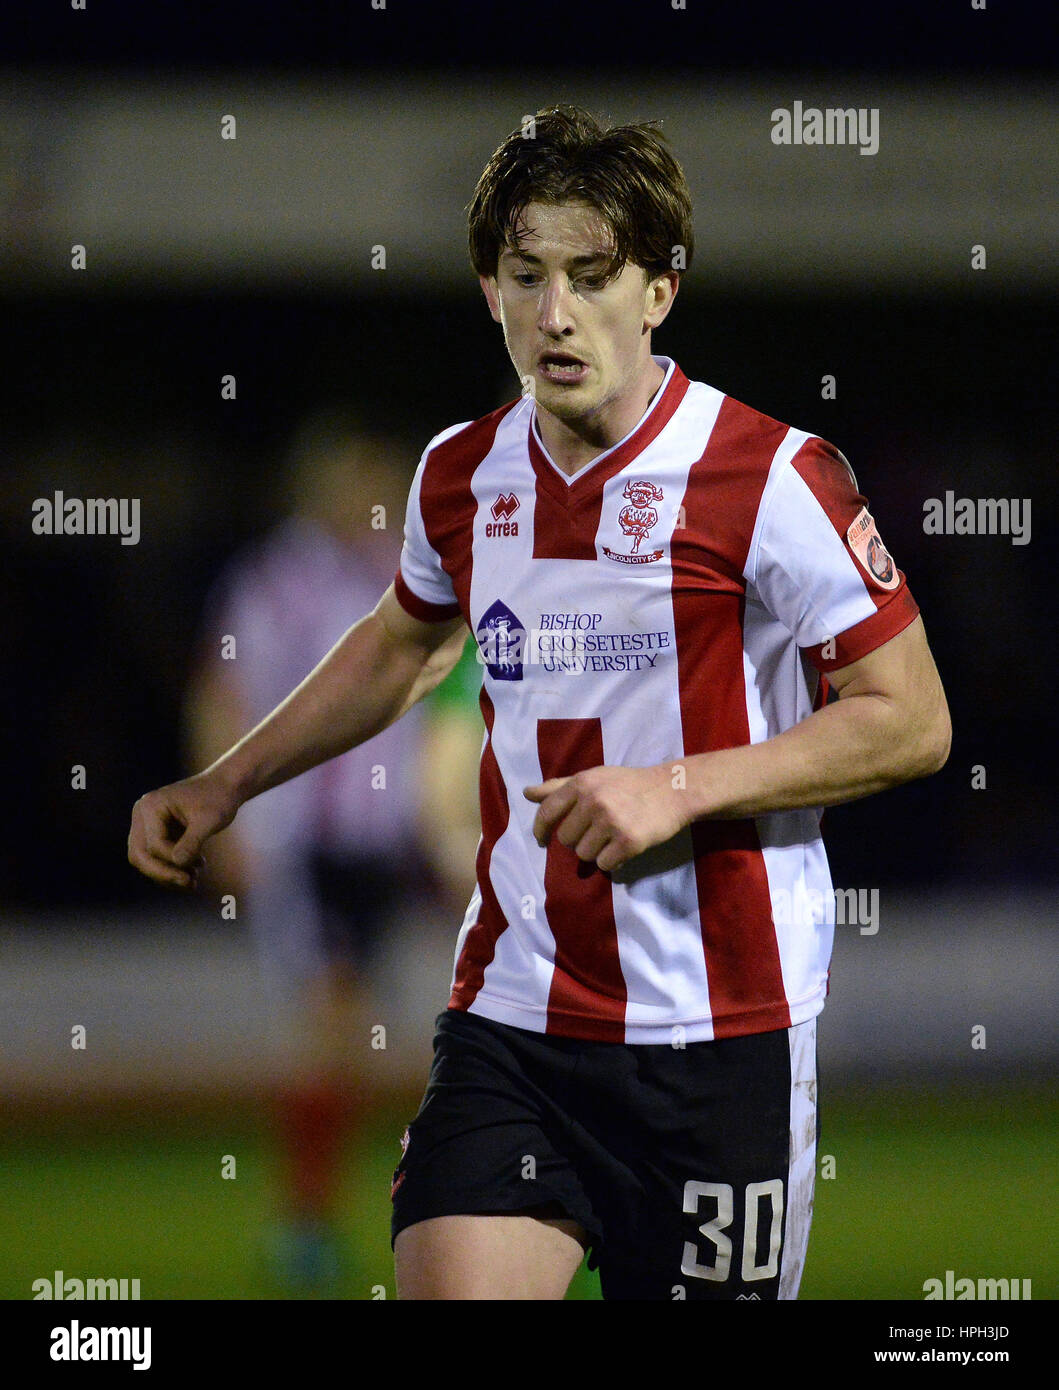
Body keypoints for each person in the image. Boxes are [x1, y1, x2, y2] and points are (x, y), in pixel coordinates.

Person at [128, 105, 951, 1301]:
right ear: (489, 290)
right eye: (526, 276)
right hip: (515, 1014)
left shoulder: (771, 475)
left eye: (592, 275)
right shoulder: (462, 474)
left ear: (661, 290)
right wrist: (223, 784)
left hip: (719, 1033)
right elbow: (399, 648)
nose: (555, 313)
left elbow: (912, 718)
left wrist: (676, 788)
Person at [182, 415, 479, 1290]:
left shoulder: (400, 575)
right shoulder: (273, 581)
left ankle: (432, 1216)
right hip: (306, 844)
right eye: (359, 478)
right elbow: (224, 689)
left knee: (425, 1037)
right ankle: (308, 1224)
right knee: (330, 1028)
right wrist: (226, 818)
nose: (374, 496)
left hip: (400, 844)